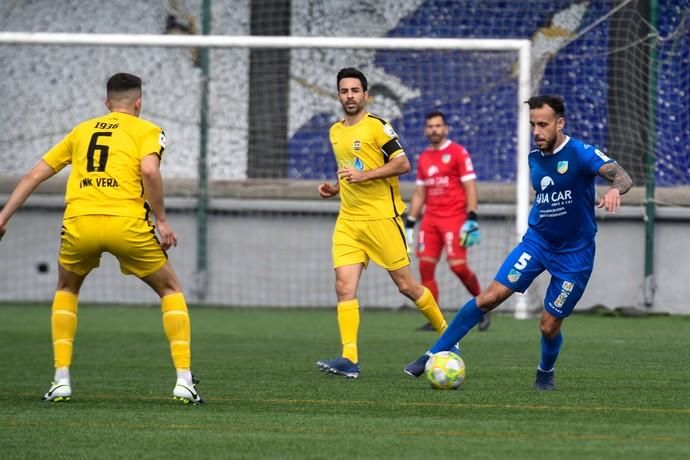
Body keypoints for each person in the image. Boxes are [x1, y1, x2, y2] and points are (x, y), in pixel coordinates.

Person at [403, 95, 633, 390]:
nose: (536, 131)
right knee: (489, 297)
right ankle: (432, 353)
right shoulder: (534, 158)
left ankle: (545, 372)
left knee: (548, 325)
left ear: (559, 124)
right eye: (532, 125)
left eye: (543, 124)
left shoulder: (581, 153)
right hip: (536, 244)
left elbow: (623, 177)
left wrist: (614, 190)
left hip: (575, 254)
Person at [0, 73, 203, 404]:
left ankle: (61, 379)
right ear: (138, 103)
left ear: (107, 104)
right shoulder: (148, 130)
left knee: (67, 288)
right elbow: (150, 171)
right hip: (128, 224)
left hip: (80, 224)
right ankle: (183, 380)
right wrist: (162, 220)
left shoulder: (82, 131)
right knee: (170, 289)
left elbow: (35, 173)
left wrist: (3, 216)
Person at [316, 67, 456, 379]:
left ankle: (450, 338)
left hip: (382, 219)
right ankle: (349, 359)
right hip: (349, 222)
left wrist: (364, 176)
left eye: (355, 91)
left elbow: (403, 163)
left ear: (365, 95)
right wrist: (335, 188)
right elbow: (350, 168)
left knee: (407, 286)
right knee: (344, 287)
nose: (349, 96)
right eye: (344, 91)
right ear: (338, 95)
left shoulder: (378, 127)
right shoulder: (335, 131)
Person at [405, 111, 490, 332]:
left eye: (438, 126)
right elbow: (419, 193)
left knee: (459, 267)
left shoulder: (458, 153)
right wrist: (410, 222)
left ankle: (483, 305)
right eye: (430, 126)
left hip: (455, 217)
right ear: (426, 130)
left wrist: (472, 216)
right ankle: (435, 318)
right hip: (431, 220)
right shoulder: (424, 157)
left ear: (446, 128)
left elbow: (470, 186)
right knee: (425, 266)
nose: (434, 130)